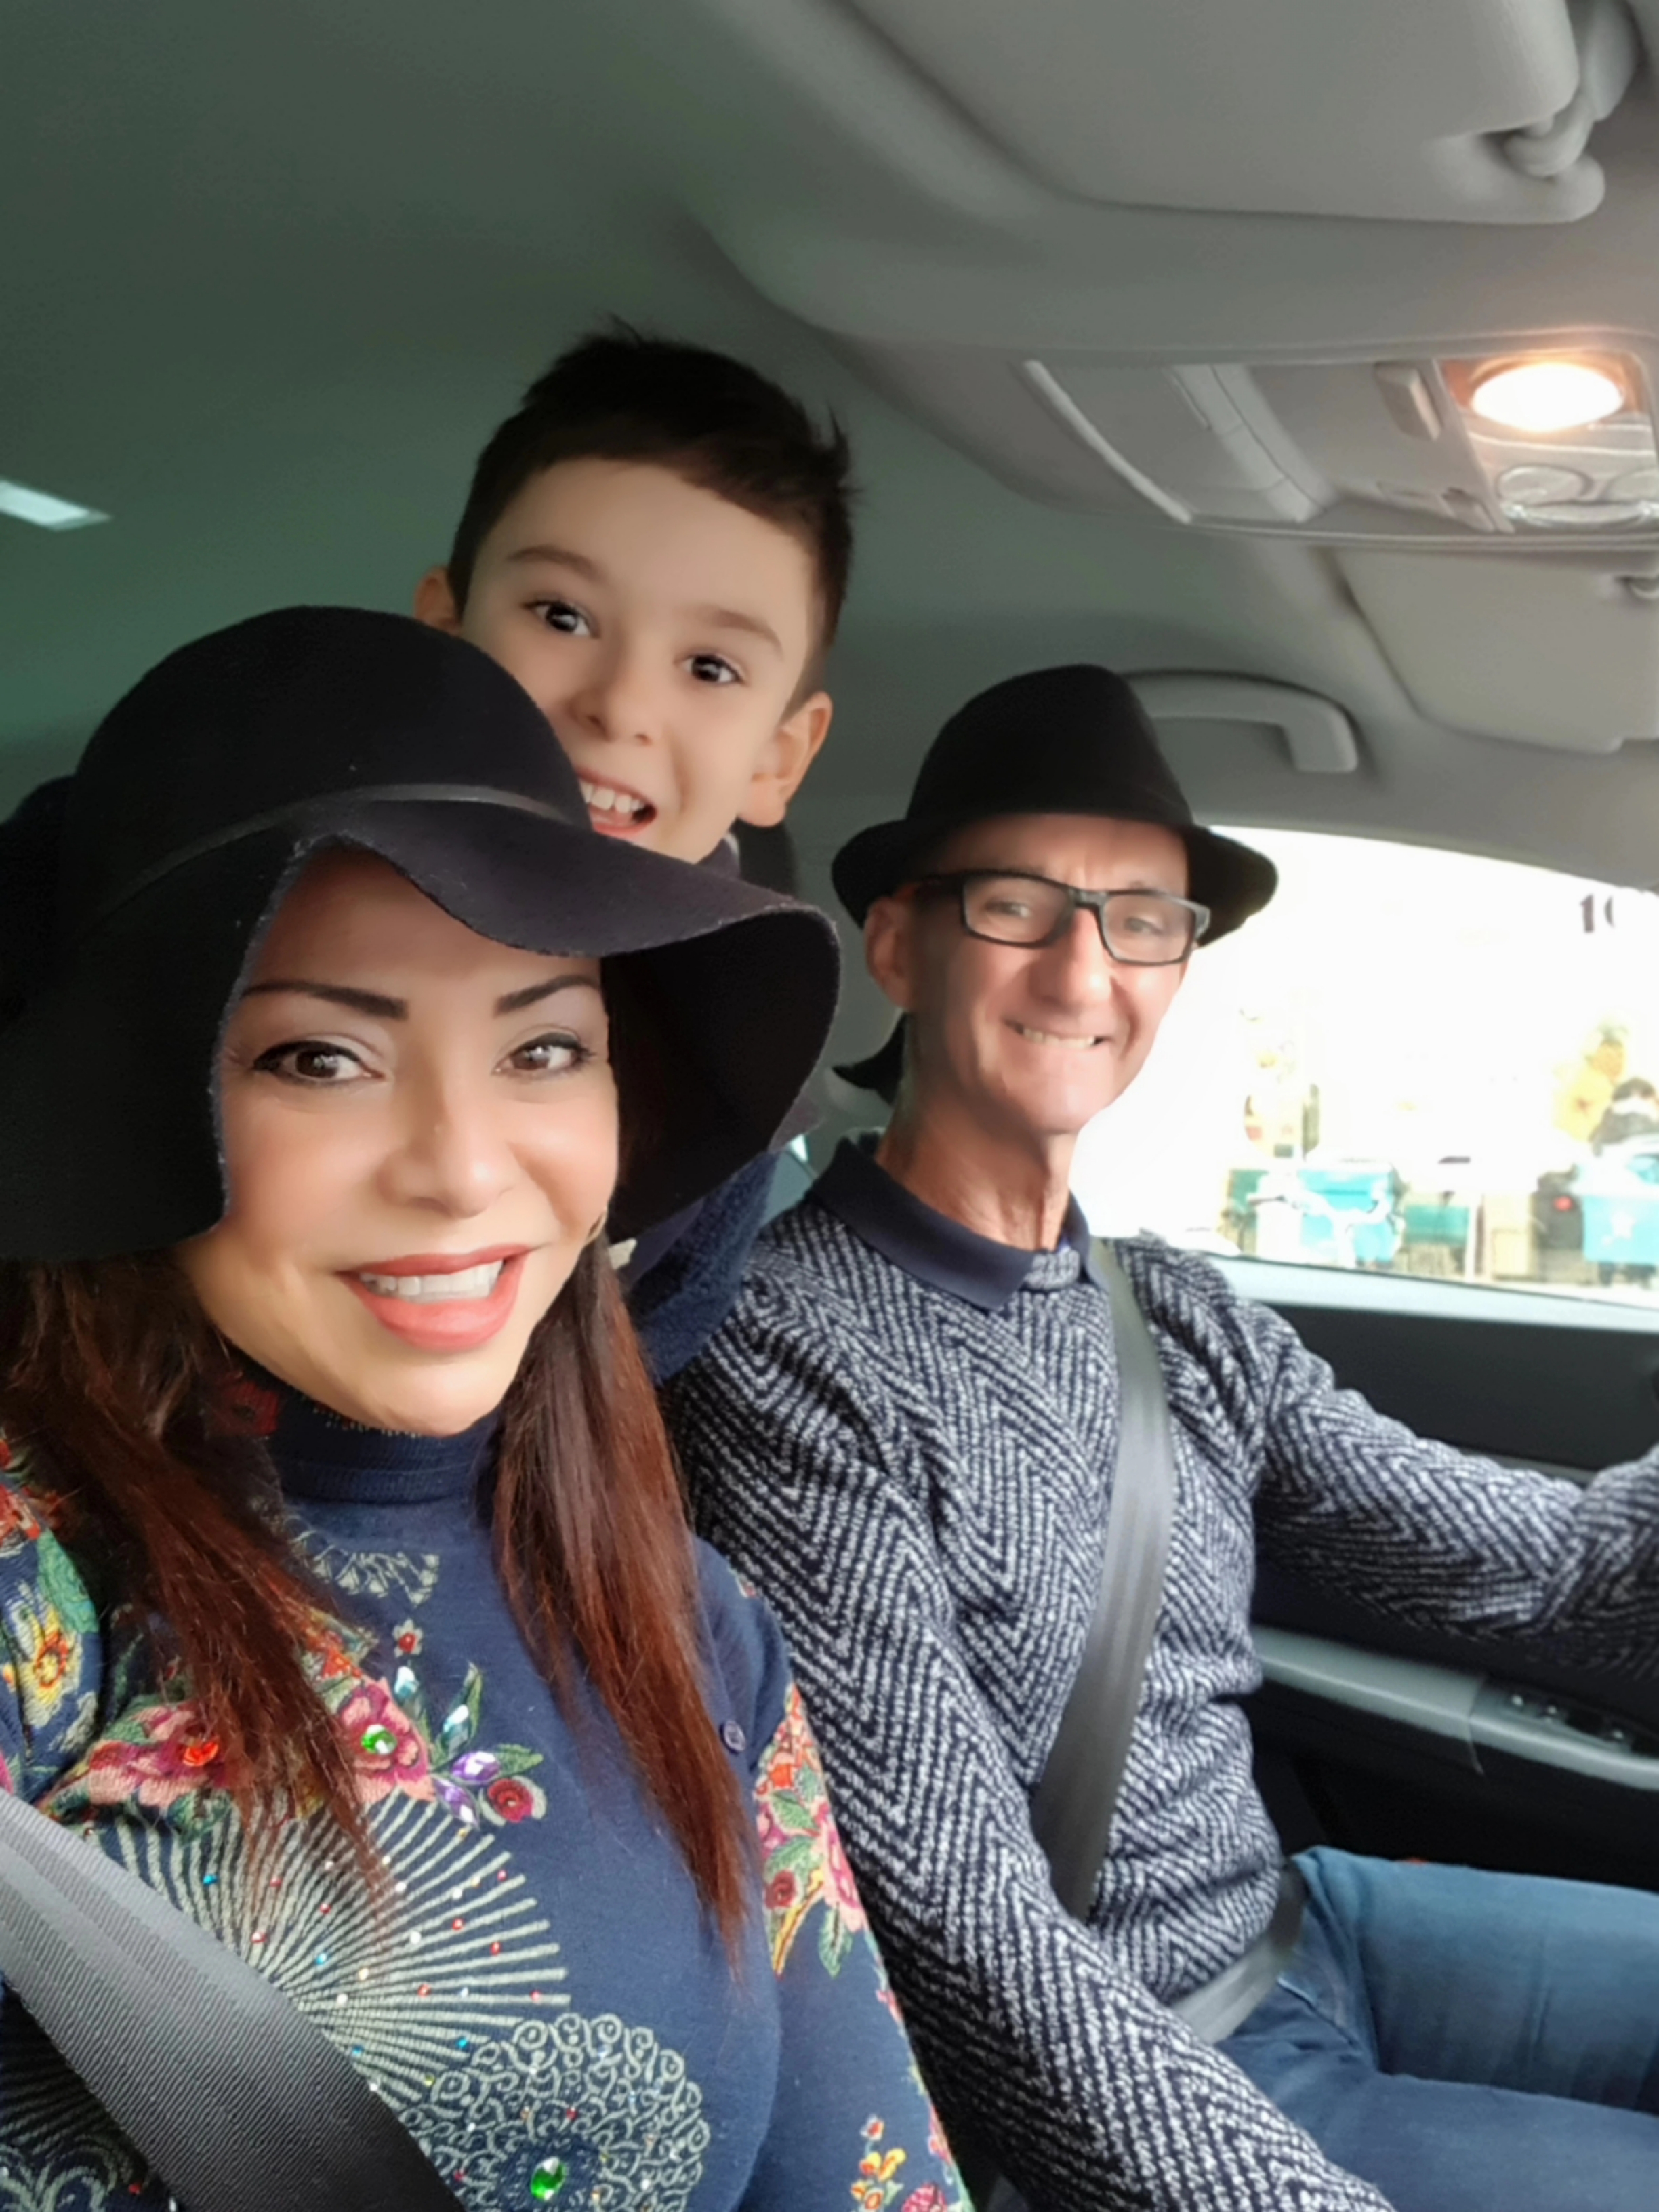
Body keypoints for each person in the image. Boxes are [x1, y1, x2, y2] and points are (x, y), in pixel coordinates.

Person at [0, 607, 962, 2212]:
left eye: (545, 1046)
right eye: (320, 1058)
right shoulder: (46, 1584)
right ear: (139, 1106)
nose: (462, 1167)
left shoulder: (691, 1619)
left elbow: (869, 2174)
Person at [668, 663, 1659, 2212]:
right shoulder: (784, 1351)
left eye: (1141, 919)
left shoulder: (1178, 1316)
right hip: (1130, 2059)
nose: (1084, 970)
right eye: (1018, 905)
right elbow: (962, 1930)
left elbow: (1543, 1570)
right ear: (900, 944)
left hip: (1303, 1933)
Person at [414, 326, 853, 1380]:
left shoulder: (729, 1079)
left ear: (779, 759)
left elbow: (633, 1379)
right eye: (562, 616)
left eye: (709, 667)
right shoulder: (255, 889)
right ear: (442, 637)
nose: (619, 707)